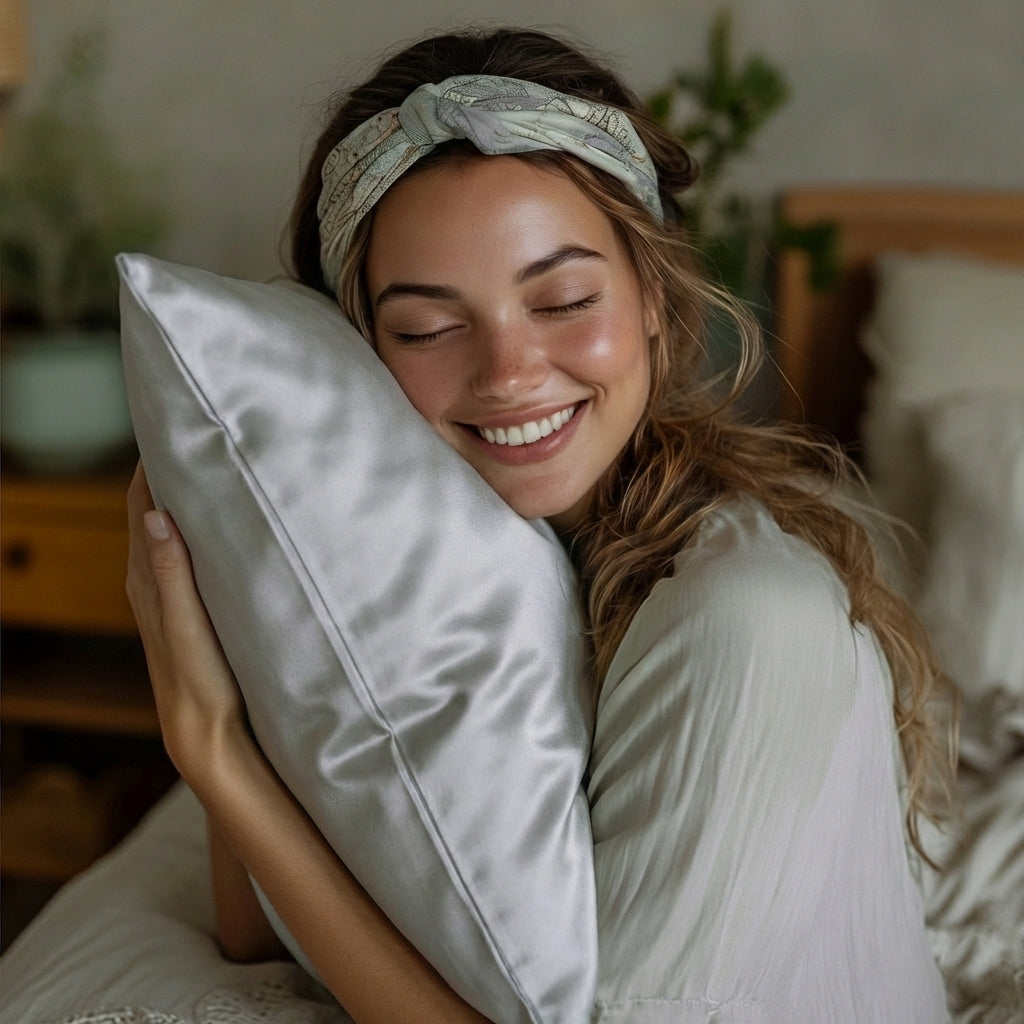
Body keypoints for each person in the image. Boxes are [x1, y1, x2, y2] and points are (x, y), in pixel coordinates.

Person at [126, 25, 953, 1023]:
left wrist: (209, 745)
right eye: (427, 327)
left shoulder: (743, 621)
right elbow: (254, 937)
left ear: (651, 294)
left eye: (561, 298)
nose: (509, 372)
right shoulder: (478, 570)